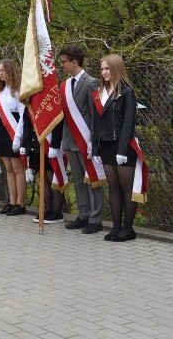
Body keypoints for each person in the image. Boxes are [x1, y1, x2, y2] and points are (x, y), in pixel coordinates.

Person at [58, 45, 105, 235]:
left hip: (86, 141)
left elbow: (95, 116)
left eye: (64, 62)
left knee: (93, 179)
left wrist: (94, 142)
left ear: (74, 62)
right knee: (78, 180)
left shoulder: (91, 82)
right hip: (70, 140)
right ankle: (83, 214)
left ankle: (96, 218)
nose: (62, 65)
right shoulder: (66, 85)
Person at [92, 54, 139, 242]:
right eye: (102, 69)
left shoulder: (127, 92)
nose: (104, 72)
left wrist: (121, 149)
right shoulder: (99, 93)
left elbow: (128, 122)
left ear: (116, 69)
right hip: (107, 145)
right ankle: (116, 227)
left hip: (124, 146)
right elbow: (96, 122)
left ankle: (128, 229)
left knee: (126, 187)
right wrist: (95, 148)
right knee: (113, 187)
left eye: (107, 69)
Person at [0, 59, 27, 216]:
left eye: (3, 70)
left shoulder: (18, 90)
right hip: (2, 131)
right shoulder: (0, 91)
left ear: (10, 71)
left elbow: (23, 115)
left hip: (15, 130)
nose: (0, 73)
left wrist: (18, 137)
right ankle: (11, 201)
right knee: (9, 169)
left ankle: (20, 203)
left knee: (18, 169)